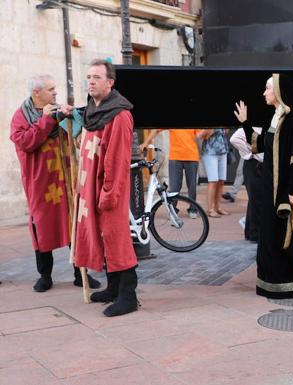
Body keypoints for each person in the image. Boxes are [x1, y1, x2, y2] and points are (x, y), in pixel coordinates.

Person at [10, 74, 100, 292]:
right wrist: (46, 119)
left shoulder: (57, 109)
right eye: (50, 89)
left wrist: (73, 116)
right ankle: (45, 276)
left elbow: (77, 136)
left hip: (65, 177)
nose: (55, 93)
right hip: (40, 183)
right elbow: (25, 142)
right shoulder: (21, 116)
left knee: (73, 225)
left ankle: (81, 274)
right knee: (41, 227)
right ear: (36, 93)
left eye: (55, 89)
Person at [234, 74, 293, 299]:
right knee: (270, 233)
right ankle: (272, 282)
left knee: (287, 232)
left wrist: (291, 192)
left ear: (278, 92)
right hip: (270, 186)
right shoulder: (276, 118)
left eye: (267, 89)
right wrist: (245, 122)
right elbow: (259, 147)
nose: (264, 93)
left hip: (286, 190)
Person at [73, 59, 138, 317]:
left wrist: (109, 193)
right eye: (88, 76)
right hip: (91, 187)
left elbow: (117, 160)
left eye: (97, 77)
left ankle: (128, 295)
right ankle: (112, 288)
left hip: (110, 189)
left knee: (117, 237)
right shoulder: (92, 109)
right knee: (103, 236)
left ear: (110, 83)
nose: (91, 81)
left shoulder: (119, 115)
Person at [139, 128, 201, 218]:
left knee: (192, 186)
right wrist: (145, 143)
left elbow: (201, 134)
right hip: (175, 157)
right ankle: (172, 210)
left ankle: (193, 209)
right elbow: (156, 130)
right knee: (174, 187)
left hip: (192, 156)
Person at [230, 125, 264, 242]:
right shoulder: (250, 127)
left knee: (255, 199)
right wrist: (249, 152)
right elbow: (234, 139)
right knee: (256, 200)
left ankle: (250, 232)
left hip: (260, 165)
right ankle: (255, 233)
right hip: (253, 164)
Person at [198, 128, 230, 218]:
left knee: (221, 181)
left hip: (223, 151)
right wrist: (210, 130)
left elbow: (226, 132)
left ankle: (217, 207)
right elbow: (199, 135)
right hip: (210, 152)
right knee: (213, 181)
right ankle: (210, 209)